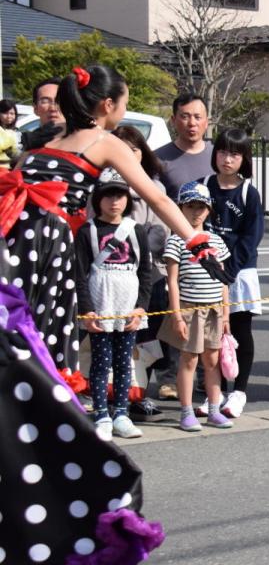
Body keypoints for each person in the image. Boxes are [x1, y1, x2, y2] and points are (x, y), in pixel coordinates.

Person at [0, 64, 226, 565]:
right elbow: (159, 197)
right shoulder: (103, 142)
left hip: (13, 253)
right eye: (123, 103)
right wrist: (197, 242)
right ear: (107, 106)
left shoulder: (42, 143)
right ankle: (63, 493)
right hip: (51, 254)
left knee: (26, 367)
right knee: (49, 374)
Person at [76, 169, 152, 439]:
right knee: (100, 362)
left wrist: (141, 306)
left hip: (128, 305)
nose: (114, 202)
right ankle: (101, 414)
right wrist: (87, 310)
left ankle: (121, 413)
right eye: (108, 195)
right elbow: (80, 274)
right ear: (97, 199)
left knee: (124, 363)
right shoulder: (87, 231)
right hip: (101, 304)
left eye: (119, 195)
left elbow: (145, 271)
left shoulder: (136, 230)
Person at [158, 181, 232, 431]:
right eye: (190, 206)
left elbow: (223, 281)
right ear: (180, 208)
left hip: (214, 310)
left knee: (212, 361)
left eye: (202, 207)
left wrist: (226, 313)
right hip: (189, 309)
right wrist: (177, 316)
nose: (196, 212)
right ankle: (186, 411)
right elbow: (172, 281)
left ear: (209, 210)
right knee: (188, 360)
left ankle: (213, 409)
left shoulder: (216, 240)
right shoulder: (176, 240)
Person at [153, 92, 213, 401]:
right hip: (175, 247)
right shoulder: (160, 157)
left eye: (197, 116)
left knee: (208, 313)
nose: (192, 123)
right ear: (174, 119)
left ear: (207, 121)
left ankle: (204, 377)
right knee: (173, 310)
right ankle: (169, 376)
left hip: (211, 249)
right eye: (185, 116)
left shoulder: (218, 155)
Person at [204, 128, 265, 418]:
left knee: (238, 332)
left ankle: (238, 391)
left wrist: (228, 270)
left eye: (235, 153)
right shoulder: (203, 186)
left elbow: (251, 237)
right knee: (209, 334)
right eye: (223, 152)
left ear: (244, 158)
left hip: (238, 274)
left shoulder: (248, 193)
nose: (227, 159)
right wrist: (207, 265)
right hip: (204, 270)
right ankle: (213, 391)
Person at [111, 125, 169, 424]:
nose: (127, 155)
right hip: (109, 278)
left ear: (142, 153)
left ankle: (139, 394)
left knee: (144, 338)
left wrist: (134, 246)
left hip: (146, 274)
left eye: (133, 148)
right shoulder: (103, 186)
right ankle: (109, 393)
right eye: (120, 148)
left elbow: (160, 231)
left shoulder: (153, 187)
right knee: (110, 338)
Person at [0, 98, 19, 167]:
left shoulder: (16, 131)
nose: (9, 116)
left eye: (12, 113)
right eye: (5, 113)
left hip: (10, 170)